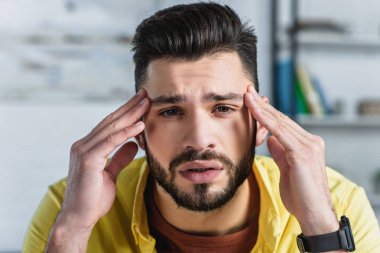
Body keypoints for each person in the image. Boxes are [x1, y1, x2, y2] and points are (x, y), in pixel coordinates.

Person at [23, 2, 380, 253]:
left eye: (223, 108)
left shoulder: (338, 203)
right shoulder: (67, 207)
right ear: (138, 127)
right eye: (171, 111)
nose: (198, 139)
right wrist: (73, 231)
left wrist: (320, 228)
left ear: (260, 124)